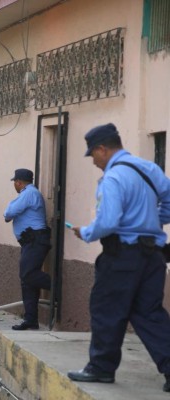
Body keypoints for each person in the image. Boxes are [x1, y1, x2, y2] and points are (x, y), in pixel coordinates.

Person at [66, 123, 170, 392]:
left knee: (106, 310)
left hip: (122, 255)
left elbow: (109, 222)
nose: (93, 162)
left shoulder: (112, 179)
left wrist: (87, 232)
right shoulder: (148, 169)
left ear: (103, 148)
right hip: (154, 255)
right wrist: (150, 220)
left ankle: (101, 368)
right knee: (149, 312)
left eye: (93, 155)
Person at [3, 168, 51, 330]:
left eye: (15, 183)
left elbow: (9, 212)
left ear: (18, 182)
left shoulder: (28, 193)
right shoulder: (28, 193)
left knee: (28, 274)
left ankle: (57, 287)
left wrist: (9, 212)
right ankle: (31, 319)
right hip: (30, 241)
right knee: (27, 281)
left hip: (35, 240)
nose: (14, 185)